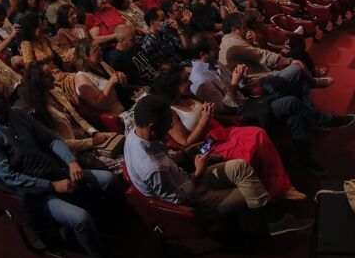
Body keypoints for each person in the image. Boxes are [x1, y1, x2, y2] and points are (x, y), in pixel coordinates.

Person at [0, 73, 117, 258]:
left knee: (109, 180)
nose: (5, 98)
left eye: (4, 92)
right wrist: (52, 186)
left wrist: (71, 161)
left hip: (51, 171)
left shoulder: (16, 114)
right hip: (33, 191)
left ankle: (100, 228)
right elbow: (10, 177)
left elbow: (50, 139)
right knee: (81, 218)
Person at [124, 95, 312, 235]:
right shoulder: (151, 167)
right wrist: (198, 171)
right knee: (253, 186)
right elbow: (178, 200)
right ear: (152, 127)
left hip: (186, 179)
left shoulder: (136, 134)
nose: (168, 130)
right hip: (193, 203)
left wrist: (185, 154)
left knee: (241, 167)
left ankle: (253, 222)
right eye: (166, 125)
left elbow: (168, 162)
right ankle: (265, 227)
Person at [189, 38, 349, 174]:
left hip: (250, 101)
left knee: (293, 100)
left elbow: (238, 90)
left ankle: (304, 156)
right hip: (242, 115)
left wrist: (242, 80)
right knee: (291, 102)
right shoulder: (200, 81)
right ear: (203, 55)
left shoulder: (215, 63)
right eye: (214, 48)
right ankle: (324, 121)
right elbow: (225, 108)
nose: (218, 48)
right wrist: (235, 83)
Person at [153, 67, 304, 201]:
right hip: (206, 145)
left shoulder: (187, 96)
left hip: (221, 132)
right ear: (173, 87)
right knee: (248, 151)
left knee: (259, 133)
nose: (191, 83)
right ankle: (266, 191)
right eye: (186, 80)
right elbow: (185, 142)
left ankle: (281, 187)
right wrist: (204, 120)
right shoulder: (170, 112)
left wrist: (211, 114)